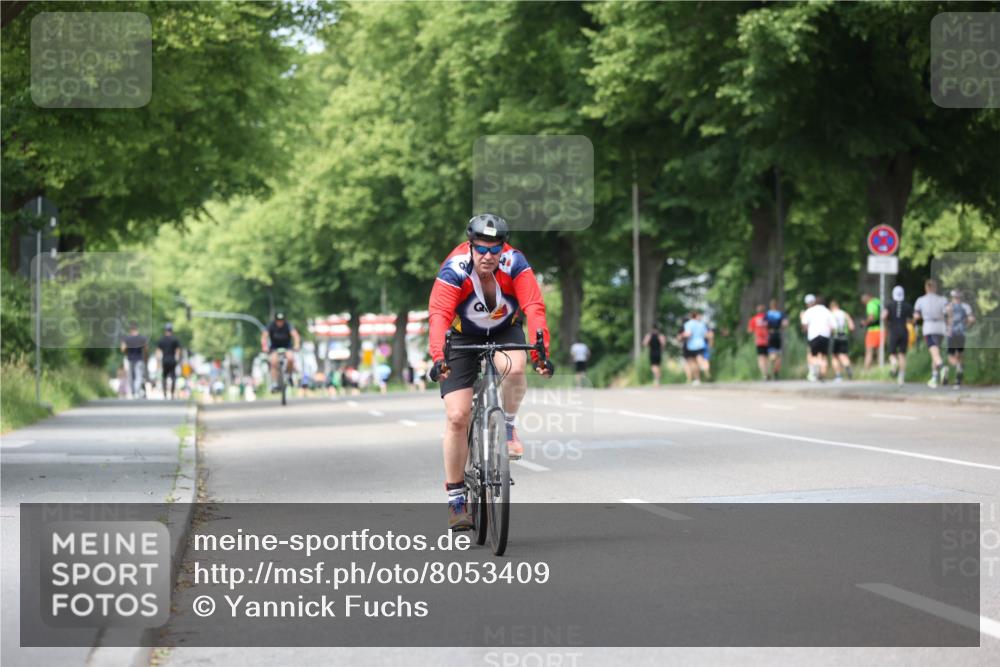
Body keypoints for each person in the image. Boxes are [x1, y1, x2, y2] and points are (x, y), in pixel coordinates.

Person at [426, 213, 553, 531]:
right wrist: (439, 356)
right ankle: (457, 498)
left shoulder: (515, 262)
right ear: (471, 245)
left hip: (503, 330)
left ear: (503, 248)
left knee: (515, 369)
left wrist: (541, 352)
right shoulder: (454, 269)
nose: (488, 256)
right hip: (462, 336)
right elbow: (439, 314)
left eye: (494, 249)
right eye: (481, 249)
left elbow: (534, 307)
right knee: (457, 416)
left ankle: (507, 427)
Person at [914, 279, 949, 388]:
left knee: (934, 353)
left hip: (929, 327)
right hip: (941, 327)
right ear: (935, 288)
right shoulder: (942, 299)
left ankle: (942, 367)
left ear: (926, 288)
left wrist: (915, 324)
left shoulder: (921, 300)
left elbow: (916, 315)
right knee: (936, 352)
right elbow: (948, 311)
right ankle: (934, 377)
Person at [260, 312, 301, 391]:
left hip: (287, 346)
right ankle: (275, 383)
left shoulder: (288, 325)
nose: (280, 322)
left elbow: (296, 336)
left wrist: (297, 345)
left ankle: (289, 375)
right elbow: (264, 336)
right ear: (275, 320)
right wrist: (264, 346)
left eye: (281, 320)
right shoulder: (271, 325)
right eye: (278, 320)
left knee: (290, 358)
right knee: (273, 361)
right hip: (274, 347)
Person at [944, 289, 975, 390]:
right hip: (961, 333)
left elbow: (945, 319)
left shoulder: (948, 306)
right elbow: (971, 319)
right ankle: (958, 378)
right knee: (959, 354)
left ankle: (957, 368)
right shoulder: (966, 306)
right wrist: (966, 326)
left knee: (950, 355)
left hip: (951, 333)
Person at [800, 294, 836, 382]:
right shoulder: (828, 311)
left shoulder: (810, 311)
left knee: (813, 356)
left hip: (813, 336)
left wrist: (803, 324)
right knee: (824, 356)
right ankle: (822, 374)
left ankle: (817, 369)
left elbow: (804, 325)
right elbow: (834, 326)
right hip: (825, 336)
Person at [882, 285, 913, 386]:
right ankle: (901, 377)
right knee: (902, 355)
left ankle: (894, 363)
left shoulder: (889, 305)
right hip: (904, 331)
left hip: (893, 331)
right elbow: (911, 320)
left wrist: (887, 322)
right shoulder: (907, 306)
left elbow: (884, 316)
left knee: (892, 353)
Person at [679, 311, 711, 385]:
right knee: (700, 358)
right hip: (701, 344)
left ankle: (697, 379)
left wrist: (682, 336)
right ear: (696, 316)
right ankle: (704, 367)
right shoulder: (701, 324)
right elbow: (706, 335)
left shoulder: (688, 324)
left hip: (691, 345)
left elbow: (688, 334)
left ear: (691, 316)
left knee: (693, 363)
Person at [120, 322, 148, 399]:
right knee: (139, 376)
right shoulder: (142, 338)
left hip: (130, 359)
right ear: (137, 329)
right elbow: (146, 349)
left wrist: (126, 352)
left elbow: (122, 349)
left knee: (131, 377)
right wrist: (145, 359)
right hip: (139, 359)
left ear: (130, 329)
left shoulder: (127, 338)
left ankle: (133, 392)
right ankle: (136, 391)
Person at [156, 323, 183, 400]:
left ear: (165, 330)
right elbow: (178, 351)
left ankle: (165, 393)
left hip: (164, 360)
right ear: (172, 330)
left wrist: (158, 362)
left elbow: (158, 351)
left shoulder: (162, 339)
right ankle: (172, 393)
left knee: (164, 377)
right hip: (172, 360)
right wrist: (177, 359)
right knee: (173, 377)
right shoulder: (175, 339)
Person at [829, 300, 855, 382]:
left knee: (834, 356)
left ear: (831, 307)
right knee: (843, 355)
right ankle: (847, 368)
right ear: (838, 306)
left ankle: (838, 375)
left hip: (835, 336)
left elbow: (830, 327)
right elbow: (852, 327)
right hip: (844, 336)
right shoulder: (844, 313)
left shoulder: (831, 314)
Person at [765, 299, 788, 379]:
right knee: (778, 355)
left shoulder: (768, 314)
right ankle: (776, 371)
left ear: (770, 305)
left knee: (771, 354)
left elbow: (764, 324)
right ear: (776, 305)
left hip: (770, 334)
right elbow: (785, 324)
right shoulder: (780, 314)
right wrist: (781, 327)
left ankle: (768, 369)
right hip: (777, 334)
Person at [747, 304, 770, 380]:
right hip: (767, 340)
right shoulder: (767, 318)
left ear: (757, 311)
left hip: (759, 341)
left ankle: (764, 374)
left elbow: (750, 330)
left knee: (761, 358)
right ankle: (768, 372)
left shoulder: (754, 319)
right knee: (767, 358)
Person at [860, 293, 882, 371]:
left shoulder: (870, 304)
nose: (865, 304)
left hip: (873, 330)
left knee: (869, 351)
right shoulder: (878, 302)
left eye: (864, 302)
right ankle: (881, 369)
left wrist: (864, 323)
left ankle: (866, 370)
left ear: (868, 298)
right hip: (882, 329)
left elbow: (871, 317)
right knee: (880, 351)